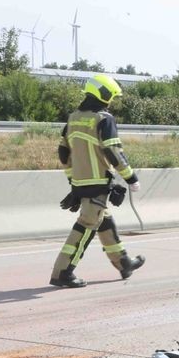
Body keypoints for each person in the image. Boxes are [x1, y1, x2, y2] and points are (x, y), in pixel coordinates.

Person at [49, 74, 145, 288]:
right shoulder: (104, 119)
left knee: (104, 221)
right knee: (85, 226)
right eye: (111, 97)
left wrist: (73, 182)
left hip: (81, 182)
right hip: (98, 183)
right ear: (105, 94)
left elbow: (63, 153)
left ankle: (124, 263)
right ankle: (63, 272)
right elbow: (112, 151)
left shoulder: (73, 118)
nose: (111, 101)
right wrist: (131, 178)